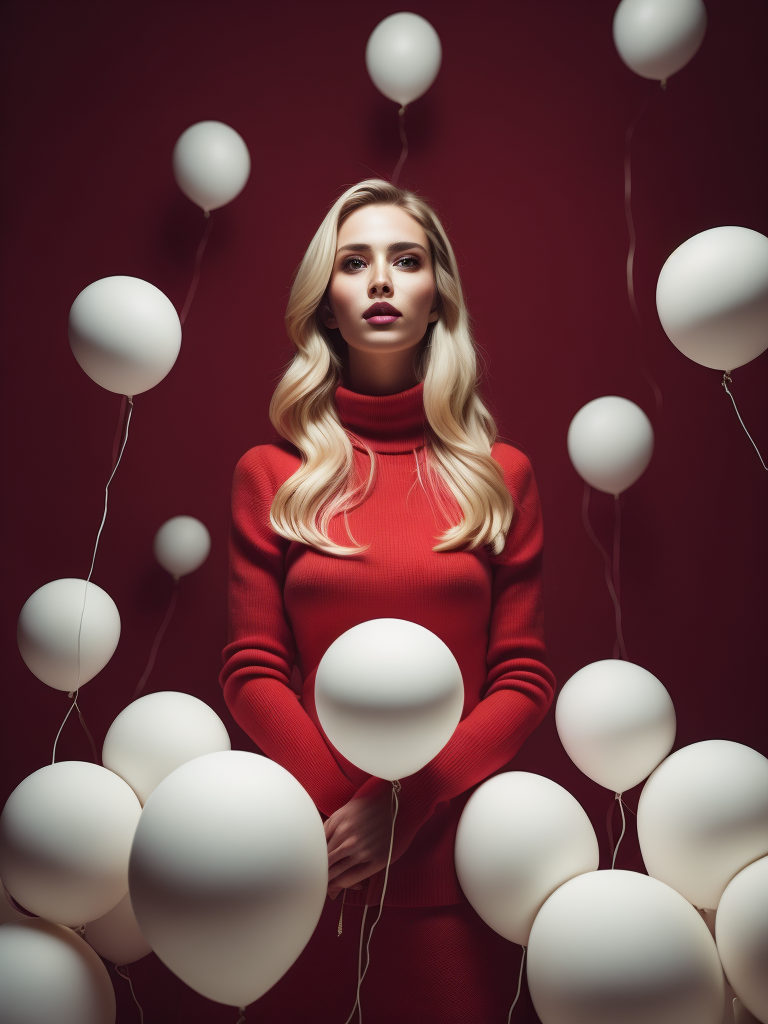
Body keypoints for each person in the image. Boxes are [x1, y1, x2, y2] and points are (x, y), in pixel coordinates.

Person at [219, 179, 555, 1023]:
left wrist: (406, 806)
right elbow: (251, 669)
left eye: (406, 261)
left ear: (437, 295)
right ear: (325, 304)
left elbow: (522, 679)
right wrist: (352, 814)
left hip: (458, 868)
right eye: (353, 263)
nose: (379, 281)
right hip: (309, 862)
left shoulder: (501, 476)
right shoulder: (271, 474)